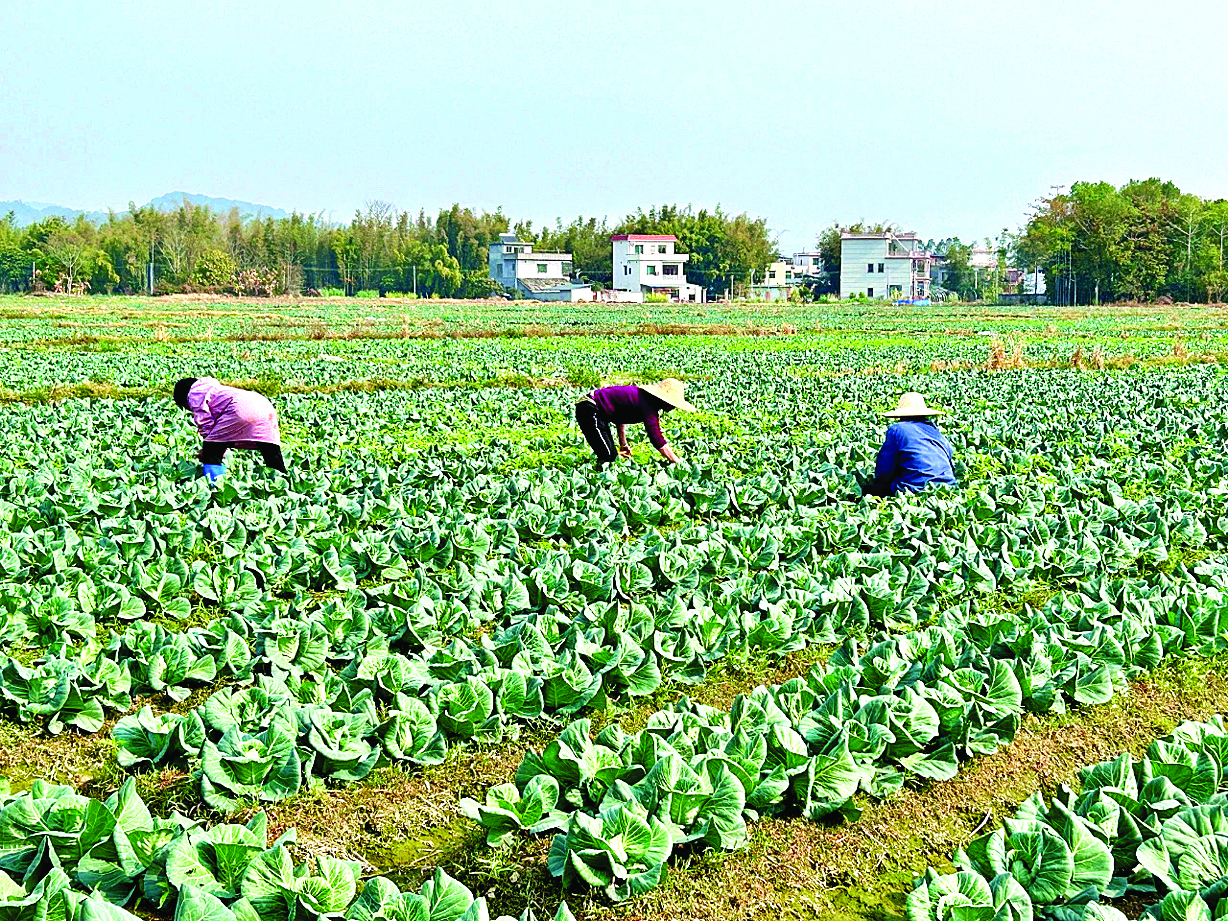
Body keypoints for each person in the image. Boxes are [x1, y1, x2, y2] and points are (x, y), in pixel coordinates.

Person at [173, 377, 286, 482]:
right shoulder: (213, 389)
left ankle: (215, 484)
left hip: (239, 409)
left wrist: (208, 450)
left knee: (211, 448)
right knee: (270, 449)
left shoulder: (194, 394)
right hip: (264, 405)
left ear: (184, 400)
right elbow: (222, 433)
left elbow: (205, 423)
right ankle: (282, 480)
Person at [575, 378, 694, 467]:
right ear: (665, 401)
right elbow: (657, 439)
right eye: (673, 403)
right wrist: (677, 462)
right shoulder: (647, 406)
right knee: (609, 457)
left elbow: (620, 417)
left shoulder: (644, 399)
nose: (674, 407)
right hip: (590, 408)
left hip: (596, 410)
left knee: (610, 455)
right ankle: (598, 482)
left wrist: (623, 444)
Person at [862, 392, 956, 497]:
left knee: (867, 490)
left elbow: (885, 470)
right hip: (949, 488)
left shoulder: (897, 429)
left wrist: (879, 484)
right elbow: (951, 464)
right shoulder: (936, 432)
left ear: (901, 415)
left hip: (915, 489)